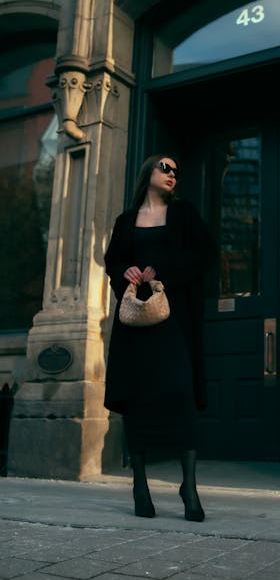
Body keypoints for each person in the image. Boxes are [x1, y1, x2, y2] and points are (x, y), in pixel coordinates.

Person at [104, 154, 216, 521]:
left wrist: (162, 270)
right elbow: (112, 262)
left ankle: (190, 486)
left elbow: (205, 255)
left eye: (176, 170)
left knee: (181, 395)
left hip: (174, 321)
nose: (172, 174)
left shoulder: (183, 214)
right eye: (165, 167)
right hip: (135, 325)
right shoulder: (125, 220)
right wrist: (128, 272)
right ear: (148, 172)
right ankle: (140, 484)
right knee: (137, 400)